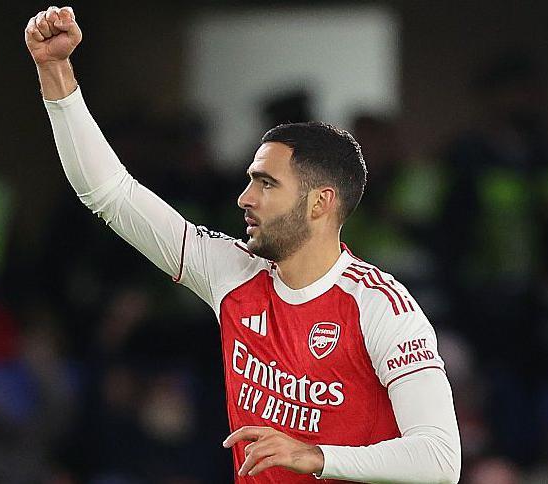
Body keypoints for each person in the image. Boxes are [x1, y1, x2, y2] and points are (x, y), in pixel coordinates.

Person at [25, 6, 461, 483]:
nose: (244, 198)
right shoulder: (230, 272)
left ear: (320, 202)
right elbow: (110, 194)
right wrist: (55, 71)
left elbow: (440, 460)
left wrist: (315, 456)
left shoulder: (381, 306)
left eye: (267, 184)